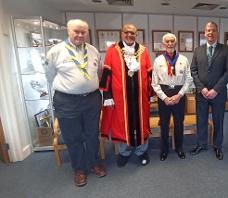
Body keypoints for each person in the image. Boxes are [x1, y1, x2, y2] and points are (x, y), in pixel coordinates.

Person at [46, 19, 106, 187]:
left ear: (87, 33)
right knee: (73, 137)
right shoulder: (56, 51)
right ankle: (79, 169)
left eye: (83, 32)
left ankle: (94, 163)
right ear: (68, 31)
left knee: (92, 133)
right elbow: (49, 76)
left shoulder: (93, 51)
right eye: (76, 32)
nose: (80, 35)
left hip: (92, 99)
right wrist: (70, 88)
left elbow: (98, 73)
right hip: (67, 101)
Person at [100, 24, 152, 167]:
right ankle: (124, 152)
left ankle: (142, 151)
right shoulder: (112, 50)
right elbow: (107, 74)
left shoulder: (143, 51)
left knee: (141, 122)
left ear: (136, 35)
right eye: (127, 32)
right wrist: (108, 95)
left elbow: (149, 74)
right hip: (120, 97)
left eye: (133, 33)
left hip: (140, 97)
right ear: (121, 34)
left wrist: (150, 94)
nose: (130, 35)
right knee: (121, 123)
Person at [190, 21, 228, 160]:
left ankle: (217, 146)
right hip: (201, 94)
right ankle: (201, 144)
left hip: (218, 94)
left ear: (217, 32)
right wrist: (201, 88)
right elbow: (193, 70)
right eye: (208, 30)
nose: (210, 32)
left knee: (218, 121)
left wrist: (215, 89)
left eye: (213, 30)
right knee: (201, 120)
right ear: (204, 32)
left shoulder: (226, 49)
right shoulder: (198, 50)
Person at [151, 33, 193, 161]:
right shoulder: (158, 60)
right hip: (164, 94)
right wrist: (164, 97)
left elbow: (189, 79)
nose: (170, 44)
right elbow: (154, 83)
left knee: (179, 123)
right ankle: (164, 150)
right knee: (164, 124)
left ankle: (179, 148)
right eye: (167, 42)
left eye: (172, 41)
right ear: (164, 44)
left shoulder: (184, 59)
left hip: (179, 94)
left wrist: (179, 95)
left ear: (175, 43)